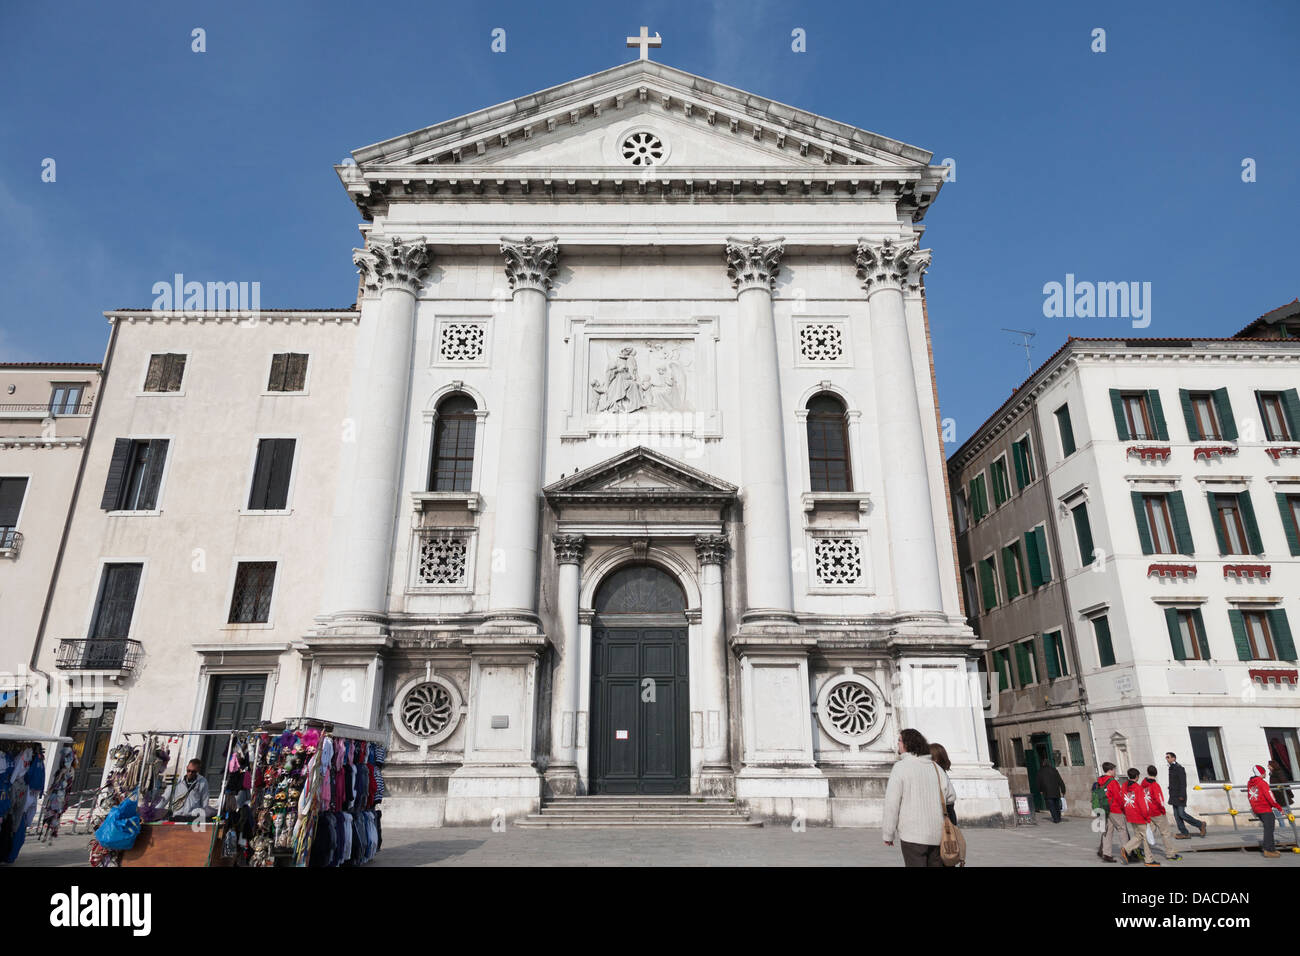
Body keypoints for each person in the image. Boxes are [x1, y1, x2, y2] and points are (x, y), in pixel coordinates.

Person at [883, 728, 956, 867]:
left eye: (899, 741)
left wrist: (888, 834)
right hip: (937, 835)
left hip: (912, 836)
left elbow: (892, 804)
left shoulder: (900, 767)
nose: (897, 744)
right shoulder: (936, 767)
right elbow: (951, 797)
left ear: (907, 744)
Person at [1120, 768, 1160, 866]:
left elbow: (1122, 800)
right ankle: (1148, 860)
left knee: (1138, 835)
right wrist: (1147, 817)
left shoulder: (1124, 786)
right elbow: (1142, 805)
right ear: (1137, 777)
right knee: (1145, 837)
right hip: (1139, 815)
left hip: (1130, 813)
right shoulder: (1138, 788)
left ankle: (1126, 848)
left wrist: (1125, 812)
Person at [1142, 765, 1182, 862]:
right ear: (1156, 773)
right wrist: (1163, 811)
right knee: (1165, 833)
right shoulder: (1155, 785)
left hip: (1148, 811)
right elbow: (1159, 800)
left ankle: (1143, 850)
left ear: (1147, 772)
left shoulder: (1143, 784)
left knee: (1149, 833)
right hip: (1157, 812)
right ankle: (1170, 853)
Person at [1247, 764, 1286, 859]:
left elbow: (1250, 796)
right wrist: (1279, 807)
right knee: (1269, 829)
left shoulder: (1250, 783)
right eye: (1264, 772)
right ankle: (1268, 850)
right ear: (1261, 773)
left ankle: (1271, 848)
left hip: (1257, 809)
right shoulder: (1262, 783)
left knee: (1269, 828)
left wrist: (1254, 808)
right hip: (1265, 809)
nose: (1265, 773)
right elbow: (1270, 797)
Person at [1165, 752, 1206, 839]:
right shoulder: (1171, 768)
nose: (1167, 759)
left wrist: (1182, 795)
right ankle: (1184, 833)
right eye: (1166, 757)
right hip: (1173, 795)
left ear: (1173, 758)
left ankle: (1200, 824)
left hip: (1180, 795)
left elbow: (1183, 783)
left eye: (1168, 757)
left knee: (1182, 814)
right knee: (1177, 816)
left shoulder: (1179, 768)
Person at [1095, 762, 1127, 863]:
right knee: (1122, 829)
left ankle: (1106, 854)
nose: (1115, 772)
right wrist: (1123, 809)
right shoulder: (1113, 782)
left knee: (1107, 832)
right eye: (1114, 770)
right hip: (1115, 809)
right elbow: (1118, 797)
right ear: (1110, 770)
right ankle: (1127, 851)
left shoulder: (1100, 781)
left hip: (1104, 809)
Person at [930, 743, 957, 825]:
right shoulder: (942, 772)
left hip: (943, 813)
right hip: (949, 812)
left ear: (935, 759)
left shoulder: (936, 774)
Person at [1036, 756, 1066, 824]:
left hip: (1047, 792)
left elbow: (1038, 782)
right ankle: (1058, 817)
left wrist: (1040, 790)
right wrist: (1063, 789)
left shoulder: (1040, 771)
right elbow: (1060, 780)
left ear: (1043, 764)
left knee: (1051, 806)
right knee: (1057, 805)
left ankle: (1056, 819)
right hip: (1056, 791)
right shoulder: (1054, 770)